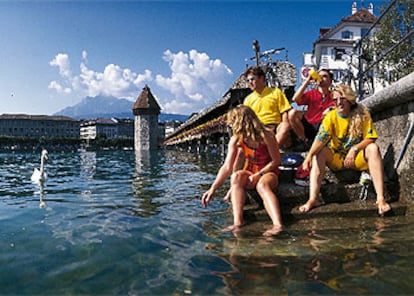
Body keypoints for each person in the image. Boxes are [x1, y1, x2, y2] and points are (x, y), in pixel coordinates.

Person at [298, 84, 391, 216]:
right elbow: (320, 139)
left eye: (342, 99)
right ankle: (313, 198)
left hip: (356, 158)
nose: (338, 103)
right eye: (335, 100)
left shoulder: (362, 113)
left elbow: (371, 138)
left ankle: (380, 198)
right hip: (337, 158)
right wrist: (308, 157)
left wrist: (354, 149)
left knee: (373, 148)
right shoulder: (331, 116)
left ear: (349, 99)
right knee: (319, 152)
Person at [201, 105, 283, 236]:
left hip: (268, 172)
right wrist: (213, 188)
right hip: (251, 171)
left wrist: (258, 175)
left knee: (262, 185)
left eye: (232, 121)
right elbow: (227, 167)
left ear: (240, 121)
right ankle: (238, 222)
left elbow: (276, 161)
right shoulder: (236, 139)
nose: (230, 124)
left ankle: (277, 224)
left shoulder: (267, 135)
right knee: (236, 177)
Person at [243, 66, 292, 148]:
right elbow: (247, 119)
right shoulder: (248, 100)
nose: (250, 82)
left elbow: (284, 111)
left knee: (285, 126)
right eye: (248, 81)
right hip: (259, 128)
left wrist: (286, 124)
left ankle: (270, 151)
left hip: (275, 126)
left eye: (252, 79)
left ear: (261, 78)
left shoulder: (276, 92)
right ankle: (271, 151)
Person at [288, 68, 335, 148]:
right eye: (319, 76)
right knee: (292, 113)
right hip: (309, 125)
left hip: (324, 126)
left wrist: (330, 109)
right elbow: (295, 99)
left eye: (324, 76)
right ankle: (304, 141)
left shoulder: (334, 95)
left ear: (330, 80)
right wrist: (307, 82)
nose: (321, 78)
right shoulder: (312, 93)